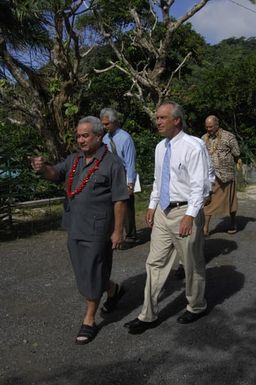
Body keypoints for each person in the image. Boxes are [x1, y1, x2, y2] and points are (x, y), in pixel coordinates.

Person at [31, 116, 129, 344]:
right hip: (74, 225)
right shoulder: (74, 159)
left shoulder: (112, 163)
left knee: (93, 270)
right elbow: (55, 174)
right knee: (84, 271)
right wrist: (42, 168)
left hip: (98, 229)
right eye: (78, 136)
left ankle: (89, 320)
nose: (80, 140)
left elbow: (120, 200)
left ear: (98, 136)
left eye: (85, 135)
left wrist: (117, 231)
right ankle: (113, 289)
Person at [124, 101, 209, 334]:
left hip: (185, 211)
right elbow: (158, 179)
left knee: (192, 263)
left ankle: (197, 305)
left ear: (176, 120)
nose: (158, 122)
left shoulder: (194, 146)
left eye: (162, 118)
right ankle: (148, 315)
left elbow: (200, 186)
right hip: (163, 212)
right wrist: (152, 205)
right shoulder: (160, 147)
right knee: (154, 263)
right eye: (157, 118)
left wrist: (190, 216)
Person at [100, 108, 137, 243]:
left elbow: (130, 161)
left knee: (127, 207)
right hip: (111, 176)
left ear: (115, 122)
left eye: (107, 124)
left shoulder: (125, 138)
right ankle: (114, 233)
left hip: (124, 175)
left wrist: (130, 183)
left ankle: (131, 234)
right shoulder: (104, 139)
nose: (104, 127)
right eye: (103, 124)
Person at [202, 115, 240, 235]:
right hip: (210, 176)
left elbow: (236, 152)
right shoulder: (203, 138)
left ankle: (233, 223)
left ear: (217, 125)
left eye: (211, 127)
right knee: (208, 201)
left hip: (226, 175)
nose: (208, 129)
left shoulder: (228, 136)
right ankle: (205, 228)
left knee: (231, 201)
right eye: (207, 127)